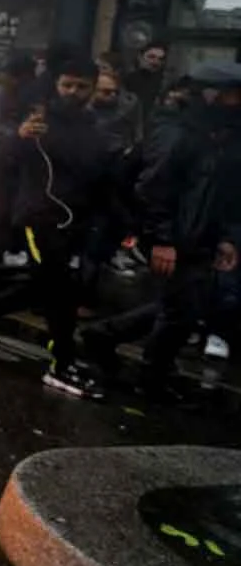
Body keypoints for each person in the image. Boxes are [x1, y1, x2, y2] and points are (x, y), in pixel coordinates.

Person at [0, 58, 112, 398]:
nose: (73, 93)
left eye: (81, 87)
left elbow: (97, 176)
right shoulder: (38, 120)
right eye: (67, 85)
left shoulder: (93, 127)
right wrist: (19, 139)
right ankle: (62, 364)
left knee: (44, 285)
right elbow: (4, 163)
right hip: (39, 216)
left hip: (73, 219)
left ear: (92, 88)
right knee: (59, 288)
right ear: (57, 85)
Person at [82, 62, 241, 403]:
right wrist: (163, 239)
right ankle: (151, 376)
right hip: (175, 236)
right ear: (210, 95)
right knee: (180, 311)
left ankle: (104, 336)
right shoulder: (179, 132)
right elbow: (154, 188)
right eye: (231, 95)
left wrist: (225, 237)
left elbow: (222, 191)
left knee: (182, 306)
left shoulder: (221, 135)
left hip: (201, 235)